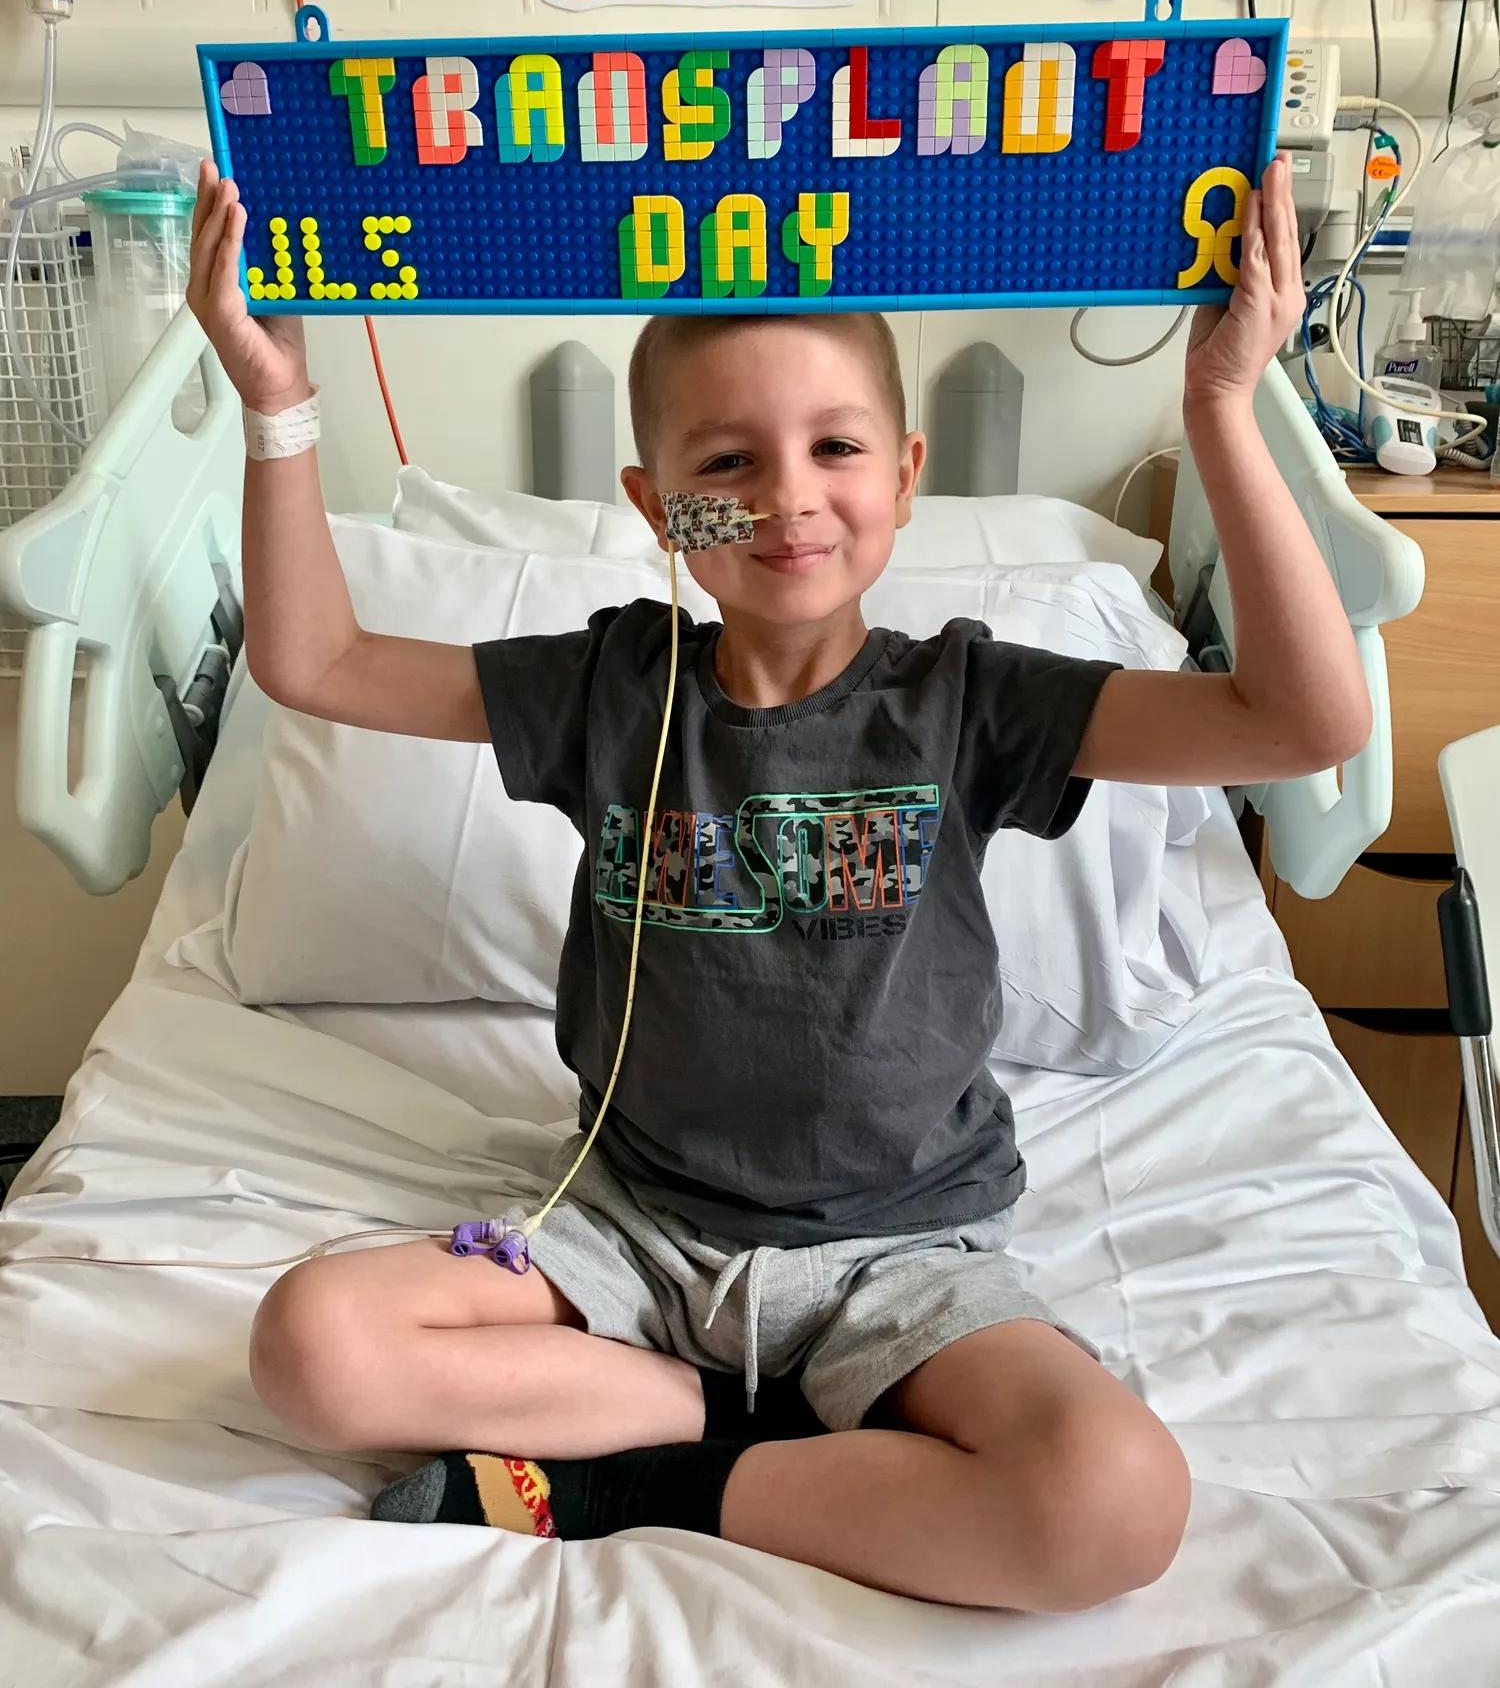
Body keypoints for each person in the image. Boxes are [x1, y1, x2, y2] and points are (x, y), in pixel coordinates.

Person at [186, 155, 1368, 1611]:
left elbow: (1301, 721)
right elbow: (316, 662)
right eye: (727, 464)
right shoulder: (615, 691)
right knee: (312, 1346)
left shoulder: (970, 704)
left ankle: (645, 1481)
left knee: (1115, 1502)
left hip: (904, 1254)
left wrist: (1223, 407)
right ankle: (735, 1425)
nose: (788, 499)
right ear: (654, 505)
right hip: (628, 1234)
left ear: (907, 476)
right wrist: (278, 404)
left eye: (836, 448)